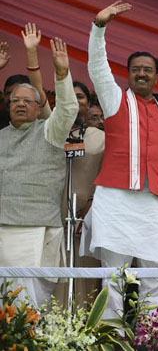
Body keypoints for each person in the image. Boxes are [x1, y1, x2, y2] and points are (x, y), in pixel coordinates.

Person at [83, 1, 158, 319]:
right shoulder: (114, 100)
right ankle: (111, 341)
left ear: (156, 77)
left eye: (148, 70)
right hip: (116, 203)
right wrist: (99, 27)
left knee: (155, 283)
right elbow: (97, 68)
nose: (141, 73)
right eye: (136, 68)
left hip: (157, 209)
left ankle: (151, 340)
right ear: (128, 74)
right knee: (114, 282)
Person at [19, 23, 106, 306]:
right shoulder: (52, 130)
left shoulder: (101, 137)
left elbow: (109, 177)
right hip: (53, 216)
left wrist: (94, 204)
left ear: (89, 104)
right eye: (71, 96)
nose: (75, 102)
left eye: (81, 97)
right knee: (52, 277)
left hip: (85, 219)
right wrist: (33, 56)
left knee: (85, 279)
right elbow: (38, 94)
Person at [0, 37, 79, 306]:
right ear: (7, 106)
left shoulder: (50, 131)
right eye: (14, 101)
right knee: (13, 298)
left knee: (31, 298)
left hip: (40, 223)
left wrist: (61, 73)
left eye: (26, 101)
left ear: (38, 106)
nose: (20, 105)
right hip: (6, 223)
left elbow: (68, 110)